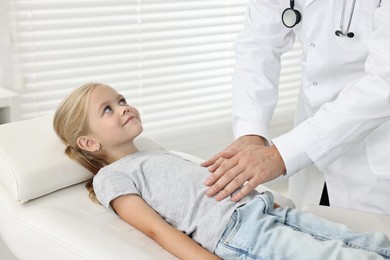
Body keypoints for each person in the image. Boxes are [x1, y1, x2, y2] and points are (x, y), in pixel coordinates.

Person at [53, 82, 390, 260]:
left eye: (122, 99)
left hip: (262, 210)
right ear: (89, 142)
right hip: (239, 233)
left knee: (363, 242)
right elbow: (156, 230)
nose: (124, 107)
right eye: (108, 109)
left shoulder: (155, 154)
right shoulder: (110, 177)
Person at [201, 0, 390, 215]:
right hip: (310, 146)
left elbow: (385, 82)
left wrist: (282, 155)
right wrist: (250, 130)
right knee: (309, 232)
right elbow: (257, 45)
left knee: (370, 243)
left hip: (376, 151)